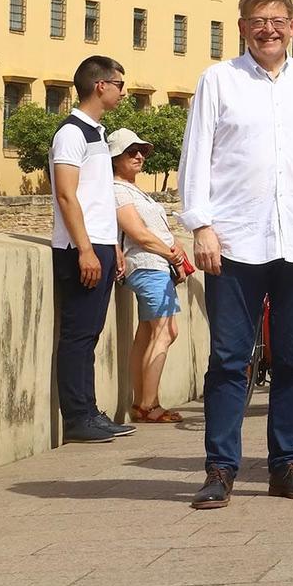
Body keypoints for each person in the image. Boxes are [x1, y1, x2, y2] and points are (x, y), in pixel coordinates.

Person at [180, 0, 293, 508]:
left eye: (277, 21)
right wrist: (201, 228)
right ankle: (220, 468)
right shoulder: (218, 81)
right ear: (242, 27)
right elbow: (196, 157)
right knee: (230, 359)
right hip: (233, 242)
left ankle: (287, 464)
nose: (268, 30)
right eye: (258, 21)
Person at [51, 55, 132, 445]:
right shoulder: (71, 133)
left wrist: (112, 245)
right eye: (119, 84)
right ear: (100, 85)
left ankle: (90, 411)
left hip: (100, 244)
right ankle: (77, 417)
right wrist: (85, 249)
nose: (123, 91)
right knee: (78, 336)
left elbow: (98, 197)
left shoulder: (97, 133)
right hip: (78, 247)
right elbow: (67, 196)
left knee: (91, 334)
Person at [110, 128, 185, 425]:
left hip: (154, 265)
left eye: (141, 150)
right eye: (131, 151)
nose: (139, 155)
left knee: (147, 332)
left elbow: (154, 231)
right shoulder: (117, 190)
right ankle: (148, 404)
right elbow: (138, 233)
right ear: (115, 158)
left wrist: (173, 247)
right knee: (167, 331)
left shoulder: (133, 189)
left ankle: (140, 403)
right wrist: (171, 254)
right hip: (147, 266)